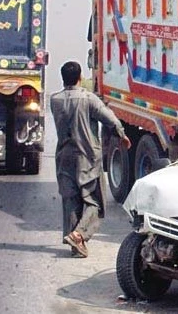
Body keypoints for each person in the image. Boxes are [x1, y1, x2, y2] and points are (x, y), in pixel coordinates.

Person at [50, 60, 131, 258]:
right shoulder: (88, 99)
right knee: (94, 201)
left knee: (71, 200)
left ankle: (75, 244)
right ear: (80, 78)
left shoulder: (54, 100)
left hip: (64, 156)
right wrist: (122, 134)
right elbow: (110, 119)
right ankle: (79, 235)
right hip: (87, 156)